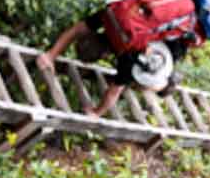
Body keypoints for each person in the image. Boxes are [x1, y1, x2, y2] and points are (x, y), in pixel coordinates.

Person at [35, 8, 191, 119]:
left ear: (104, 54)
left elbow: (114, 91)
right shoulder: (113, 14)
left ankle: (168, 84)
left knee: (155, 86)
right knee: (137, 76)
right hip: (167, 26)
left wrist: (96, 113)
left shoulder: (125, 53)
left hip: (173, 44)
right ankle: (161, 82)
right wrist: (50, 55)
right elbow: (77, 30)